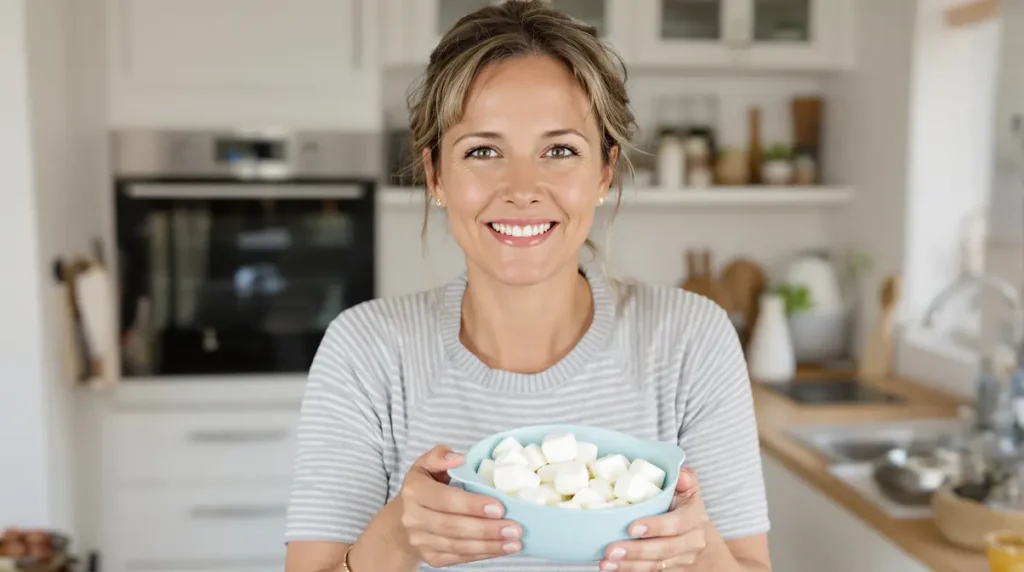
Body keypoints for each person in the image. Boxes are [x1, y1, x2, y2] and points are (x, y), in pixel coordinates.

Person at [283, 1, 771, 571]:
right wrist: (395, 539)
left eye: (559, 150)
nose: (522, 188)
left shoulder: (690, 339)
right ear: (436, 175)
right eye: (483, 151)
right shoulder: (365, 349)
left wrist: (697, 547)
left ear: (604, 172)